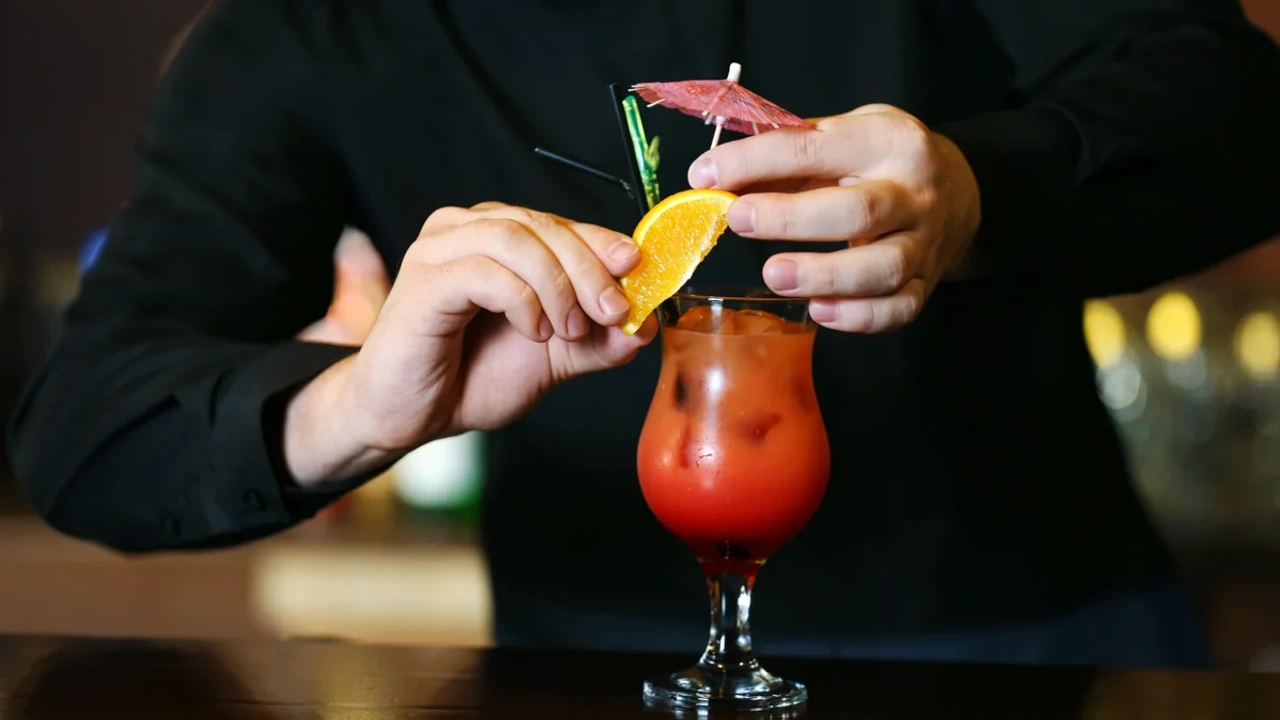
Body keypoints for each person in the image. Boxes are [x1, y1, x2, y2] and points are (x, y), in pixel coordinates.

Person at [9, 0, 1280, 668]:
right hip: (589, 670)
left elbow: (1236, 105)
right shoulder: (308, 30)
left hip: (1039, 645)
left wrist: (978, 185)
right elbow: (85, 432)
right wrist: (360, 406)